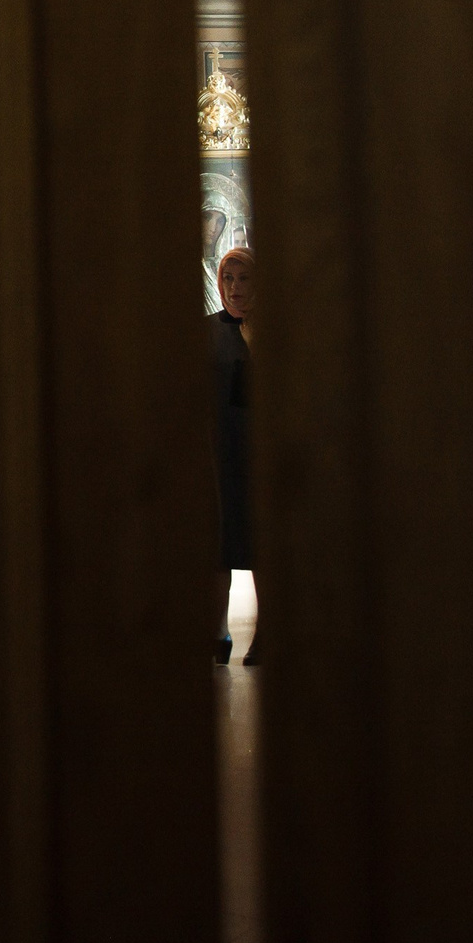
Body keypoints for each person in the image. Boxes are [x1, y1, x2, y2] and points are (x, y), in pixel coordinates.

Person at [210, 247, 257, 664]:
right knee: (218, 545)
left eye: (244, 279)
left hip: (258, 457)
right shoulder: (207, 331)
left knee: (261, 541)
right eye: (228, 279)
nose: (235, 288)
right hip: (217, 455)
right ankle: (218, 633)